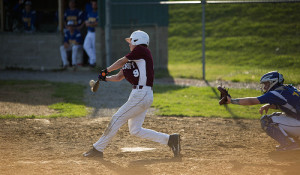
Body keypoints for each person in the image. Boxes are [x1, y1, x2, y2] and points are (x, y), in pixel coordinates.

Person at [83, 30, 181, 158]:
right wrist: (104, 78)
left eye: (131, 42)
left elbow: (120, 61)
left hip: (142, 94)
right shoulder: (133, 59)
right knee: (135, 130)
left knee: (116, 118)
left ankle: (97, 149)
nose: (129, 44)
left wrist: (105, 70)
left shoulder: (142, 50)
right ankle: (170, 140)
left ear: (137, 41)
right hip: (139, 94)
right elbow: (118, 77)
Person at [225, 71, 300, 151]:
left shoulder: (275, 93)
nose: (264, 87)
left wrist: (231, 101)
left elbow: (252, 101)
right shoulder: (289, 88)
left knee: (266, 121)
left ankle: (290, 144)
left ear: (273, 82)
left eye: (266, 84)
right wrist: (269, 105)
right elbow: (290, 104)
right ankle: (295, 141)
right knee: (274, 116)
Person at [83, 0, 99, 67]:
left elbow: (97, 23)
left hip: (95, 32)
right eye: (93, 4)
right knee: (86, 46)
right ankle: (93, 59)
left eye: (95, 4)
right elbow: (86, 22)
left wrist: (90, 24)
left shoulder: (98, 13)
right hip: (89, 32)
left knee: (94, 47)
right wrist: (90, 24)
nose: (93, 6)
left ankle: (92, 62)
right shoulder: (90, 12)